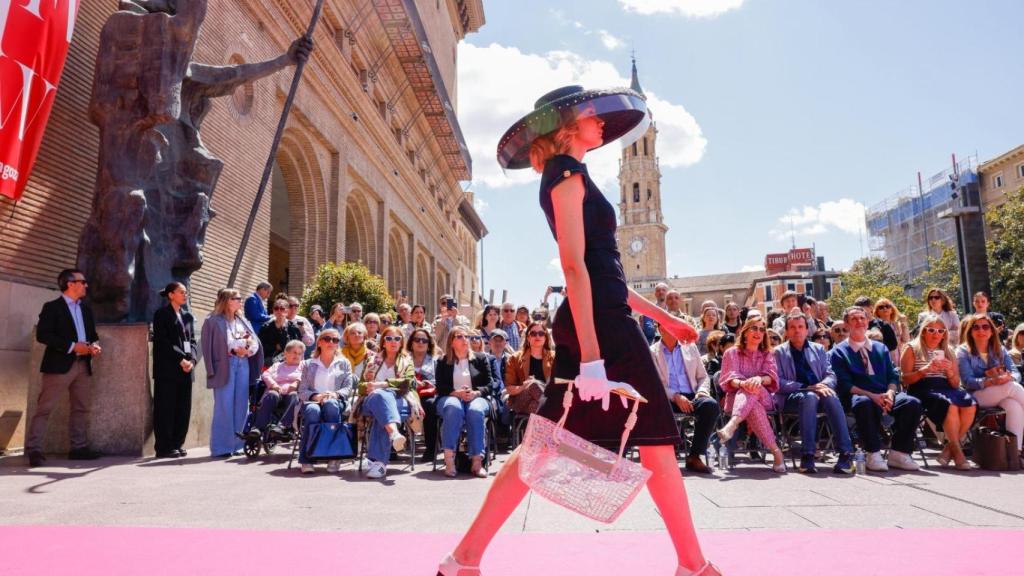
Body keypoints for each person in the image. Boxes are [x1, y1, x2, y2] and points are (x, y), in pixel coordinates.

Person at [439, 84, 716, 576]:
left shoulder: (573, 172)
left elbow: (604, 272)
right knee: (649, 440)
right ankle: (693, 565)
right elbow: (573, 268)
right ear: (568, 124)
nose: (602, 124)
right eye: (593, 116)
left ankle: (465, 558)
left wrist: (664, 318)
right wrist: (590, 356)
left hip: (607, 317)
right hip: (601, 327)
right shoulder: (564, 172)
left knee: (551, 446)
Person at [830, 306, 922, 472]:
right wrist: (872, 396)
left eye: (862, 318)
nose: (859, 322)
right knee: (864, 404)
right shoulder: (838, 352)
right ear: (847, 324)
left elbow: (893, 375)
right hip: (858, 395)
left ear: (867, 321)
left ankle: (899, 452)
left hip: (885, 393)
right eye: (854, 319)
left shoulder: (881, 348)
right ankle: (873, 453)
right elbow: (844, 384)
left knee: (912, 403)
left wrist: (890, 393)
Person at [26, 269, 104, 467]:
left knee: (81, 408)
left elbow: (92, 334)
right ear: (70, 284)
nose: (86, 285)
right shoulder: (52, 307)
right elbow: (43, 335)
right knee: (44, 408)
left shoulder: (85, 309)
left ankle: (79, 448)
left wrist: (93, 346)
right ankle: (34, 450)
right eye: (82, 281)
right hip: (59, 365)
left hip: (82, 366)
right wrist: (72, 346)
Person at [774, 312, 854, 474]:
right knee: (810, 397)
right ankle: (808, 455)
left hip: (818, 392)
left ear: (807, 330)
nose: (797, 331)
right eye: (792, 328)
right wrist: (807, 387)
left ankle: (846, 455)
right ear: (787, 331)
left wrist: (822, 385)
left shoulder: (818, 349)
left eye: (800, 327)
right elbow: (778, 382)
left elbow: (830, 375)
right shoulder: (778, 352)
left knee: (830, 395)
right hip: (792, 396)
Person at [901, 313, 976, 469]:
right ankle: (959, 454)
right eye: (931, 330)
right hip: (922, 387)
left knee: (970, 403)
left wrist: (949, 372)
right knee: (951, 405)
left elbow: (955, 384)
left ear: (945, 334)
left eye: (941, 331)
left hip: (946, 387)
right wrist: (925, 370)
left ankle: (949, 449)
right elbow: (905, 379)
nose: (936, 334)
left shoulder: (948, 350)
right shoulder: (911, 348)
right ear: (923, 331)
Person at [717, 317, 786, 473]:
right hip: (735, 399)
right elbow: (730, 377)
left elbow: (771, 377)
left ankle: (732, 424)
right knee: (752, 403)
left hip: (764, 397)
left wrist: (758, 379)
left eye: (762, 329)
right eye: (754, 328)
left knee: (754, 388)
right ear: (745, 331)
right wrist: (743, 383)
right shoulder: (731, 353)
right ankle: (776, 452)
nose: (758, 332)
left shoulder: (767, 353)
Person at [651, 321, 720, 474]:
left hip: (693, 395)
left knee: (710, 405)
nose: (674, 329)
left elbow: (703, 377)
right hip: (668, 397)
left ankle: (694, 456)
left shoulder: (690, 347)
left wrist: (702, 392)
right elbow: (654, 384)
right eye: (669, 325)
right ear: (660, 329)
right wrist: (675, 396)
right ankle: (667, 457)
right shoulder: (652, 352)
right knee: (657, 408)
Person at [201, 288, 262, 458]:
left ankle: (238, 445)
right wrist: (211, 370)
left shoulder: (242, 320)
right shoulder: (212, 321)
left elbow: (254, 342)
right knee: (224, 405)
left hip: (243, 364)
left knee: (242, 405)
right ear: (227, 300)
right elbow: (207, 347)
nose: (240, 301)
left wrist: (246, 350)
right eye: (237, 298)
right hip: (225, 365)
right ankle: (221, 447)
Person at [357, 326, 423, 479]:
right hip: (372, 400)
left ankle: (378, 463)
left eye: (397, 339)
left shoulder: (407, 361)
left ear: (401, 342)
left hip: (400, 399)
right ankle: (393, 434)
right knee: (381, 398)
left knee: (383, 410)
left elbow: (408, 382)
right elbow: (360, 385)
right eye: (389, 338)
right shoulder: (372, 360)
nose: (393, 342)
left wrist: (383, 384)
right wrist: (368, 386)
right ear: (383, 341)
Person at [956, 314, 1024, 457]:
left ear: (992, 331)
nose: (981, 330)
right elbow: (967, 381)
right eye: (976, 327)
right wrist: (990, 380)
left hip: (1003, 391)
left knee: (1014, 405)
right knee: (1012, 388)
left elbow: (1016, 373)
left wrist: (1008, 377)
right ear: (970, 331)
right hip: (975, 395)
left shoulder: (999, 349)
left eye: (986, 326)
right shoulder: (963, 351)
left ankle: (1014, 453)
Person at [436, 326, 495, 478]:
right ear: (451, 342)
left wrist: (476, 393)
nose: (465, 340)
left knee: (475, 411)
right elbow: (440, 387)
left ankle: (477, 462)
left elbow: (490, 384)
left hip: (476, 398)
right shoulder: (443, 361)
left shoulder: (481, 359)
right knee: (453, 408)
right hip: (450, 397)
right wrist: (456, 393)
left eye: (466, 337)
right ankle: (449, 460)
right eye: (460, 337)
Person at [297, 329, 355, 474]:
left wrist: (334, 394)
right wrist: (316, 396)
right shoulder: (309, 364)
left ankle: (333, 457)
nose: (331, 342)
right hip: (313, 401)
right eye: (328, 339)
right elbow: (302, 390)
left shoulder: (344, 363)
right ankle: (307, 459)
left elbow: (348, 388)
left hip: (335, 400)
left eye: (335, 340)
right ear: (320, 342)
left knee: (330, 406)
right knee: (312, 411)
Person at [151, 282, 196, 459]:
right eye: (181, 292)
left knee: (183, 408)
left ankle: (177, 443)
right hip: (168, 369)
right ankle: (164, 447)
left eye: (186, 292)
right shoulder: (161, 315)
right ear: (170, 295)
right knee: (165, 408)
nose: (185, 295)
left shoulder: (188, 317)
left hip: (186, 369)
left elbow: (192, 341)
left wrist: (191, 359)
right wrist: (180, 359)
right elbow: (163, 341)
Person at [248, 340, 304, 441]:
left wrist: (296, 382)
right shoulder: (277, 365)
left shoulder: (303, 366)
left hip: (291, 395)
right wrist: (273, 384)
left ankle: (282, 426)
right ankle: (258, 428)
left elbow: (306, 376)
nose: (297, 356)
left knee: (294, 395)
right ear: (286, 353)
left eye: (300, 353)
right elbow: (265, 374)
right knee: (272, 394)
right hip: (276, 393)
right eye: (294, 352)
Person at [504, 320, 553, 416]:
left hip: (542, 399)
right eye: (533, 333)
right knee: (532, 384)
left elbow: (560, 381)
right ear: (528, 337)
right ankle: (550, 408)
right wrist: (524, 386)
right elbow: (509, 388)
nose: (537, 336)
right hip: (520, 400)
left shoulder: (554, 358)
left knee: (535, 406)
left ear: (545, 337)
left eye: (541, 333)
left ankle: (532, 428)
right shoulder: (514, 358)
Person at [408, 328, 439, 461]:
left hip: (427, 394)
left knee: (430, 405)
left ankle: (431, 448)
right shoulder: (404, 359)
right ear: (411, 342)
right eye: (417, 340)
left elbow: (440, 381)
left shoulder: (435, 360)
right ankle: (391, 448)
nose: (420, 342)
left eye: (424, 340)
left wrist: (427, 383)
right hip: (407, 394)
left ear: (429, 344)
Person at [258, 298, 301, 368]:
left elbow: (298, 346)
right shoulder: (266, 327)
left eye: (282, 308)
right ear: (273, 311)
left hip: (290, 362)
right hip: (270, 363)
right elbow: (261, 346)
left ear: (287, 311)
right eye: (276, 308)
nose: (279, 311)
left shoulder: (293, 327)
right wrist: (275, 347)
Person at [872, 298, 910, 364]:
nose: (885, 309)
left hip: (900, 359)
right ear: (877, 312)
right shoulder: (876, 327)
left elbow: (906, 340)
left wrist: (904, 324)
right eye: (881, 307)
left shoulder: (897, 325)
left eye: (888, 306)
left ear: (892, 310)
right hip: (886, 360)